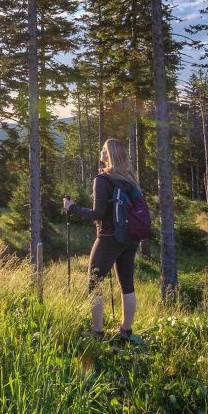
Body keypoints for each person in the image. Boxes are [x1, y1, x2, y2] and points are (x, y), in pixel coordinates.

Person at [63, 138, 140, 339]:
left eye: (104, 150)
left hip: (109, 237)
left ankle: (97, 332)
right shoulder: (130, 179)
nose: (101, 152)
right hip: (131, 237)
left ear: (109, 155)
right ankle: (126, 331)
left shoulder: (102, 179)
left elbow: (98, 213)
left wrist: (72, 208)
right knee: (127, 283)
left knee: (94, 283)